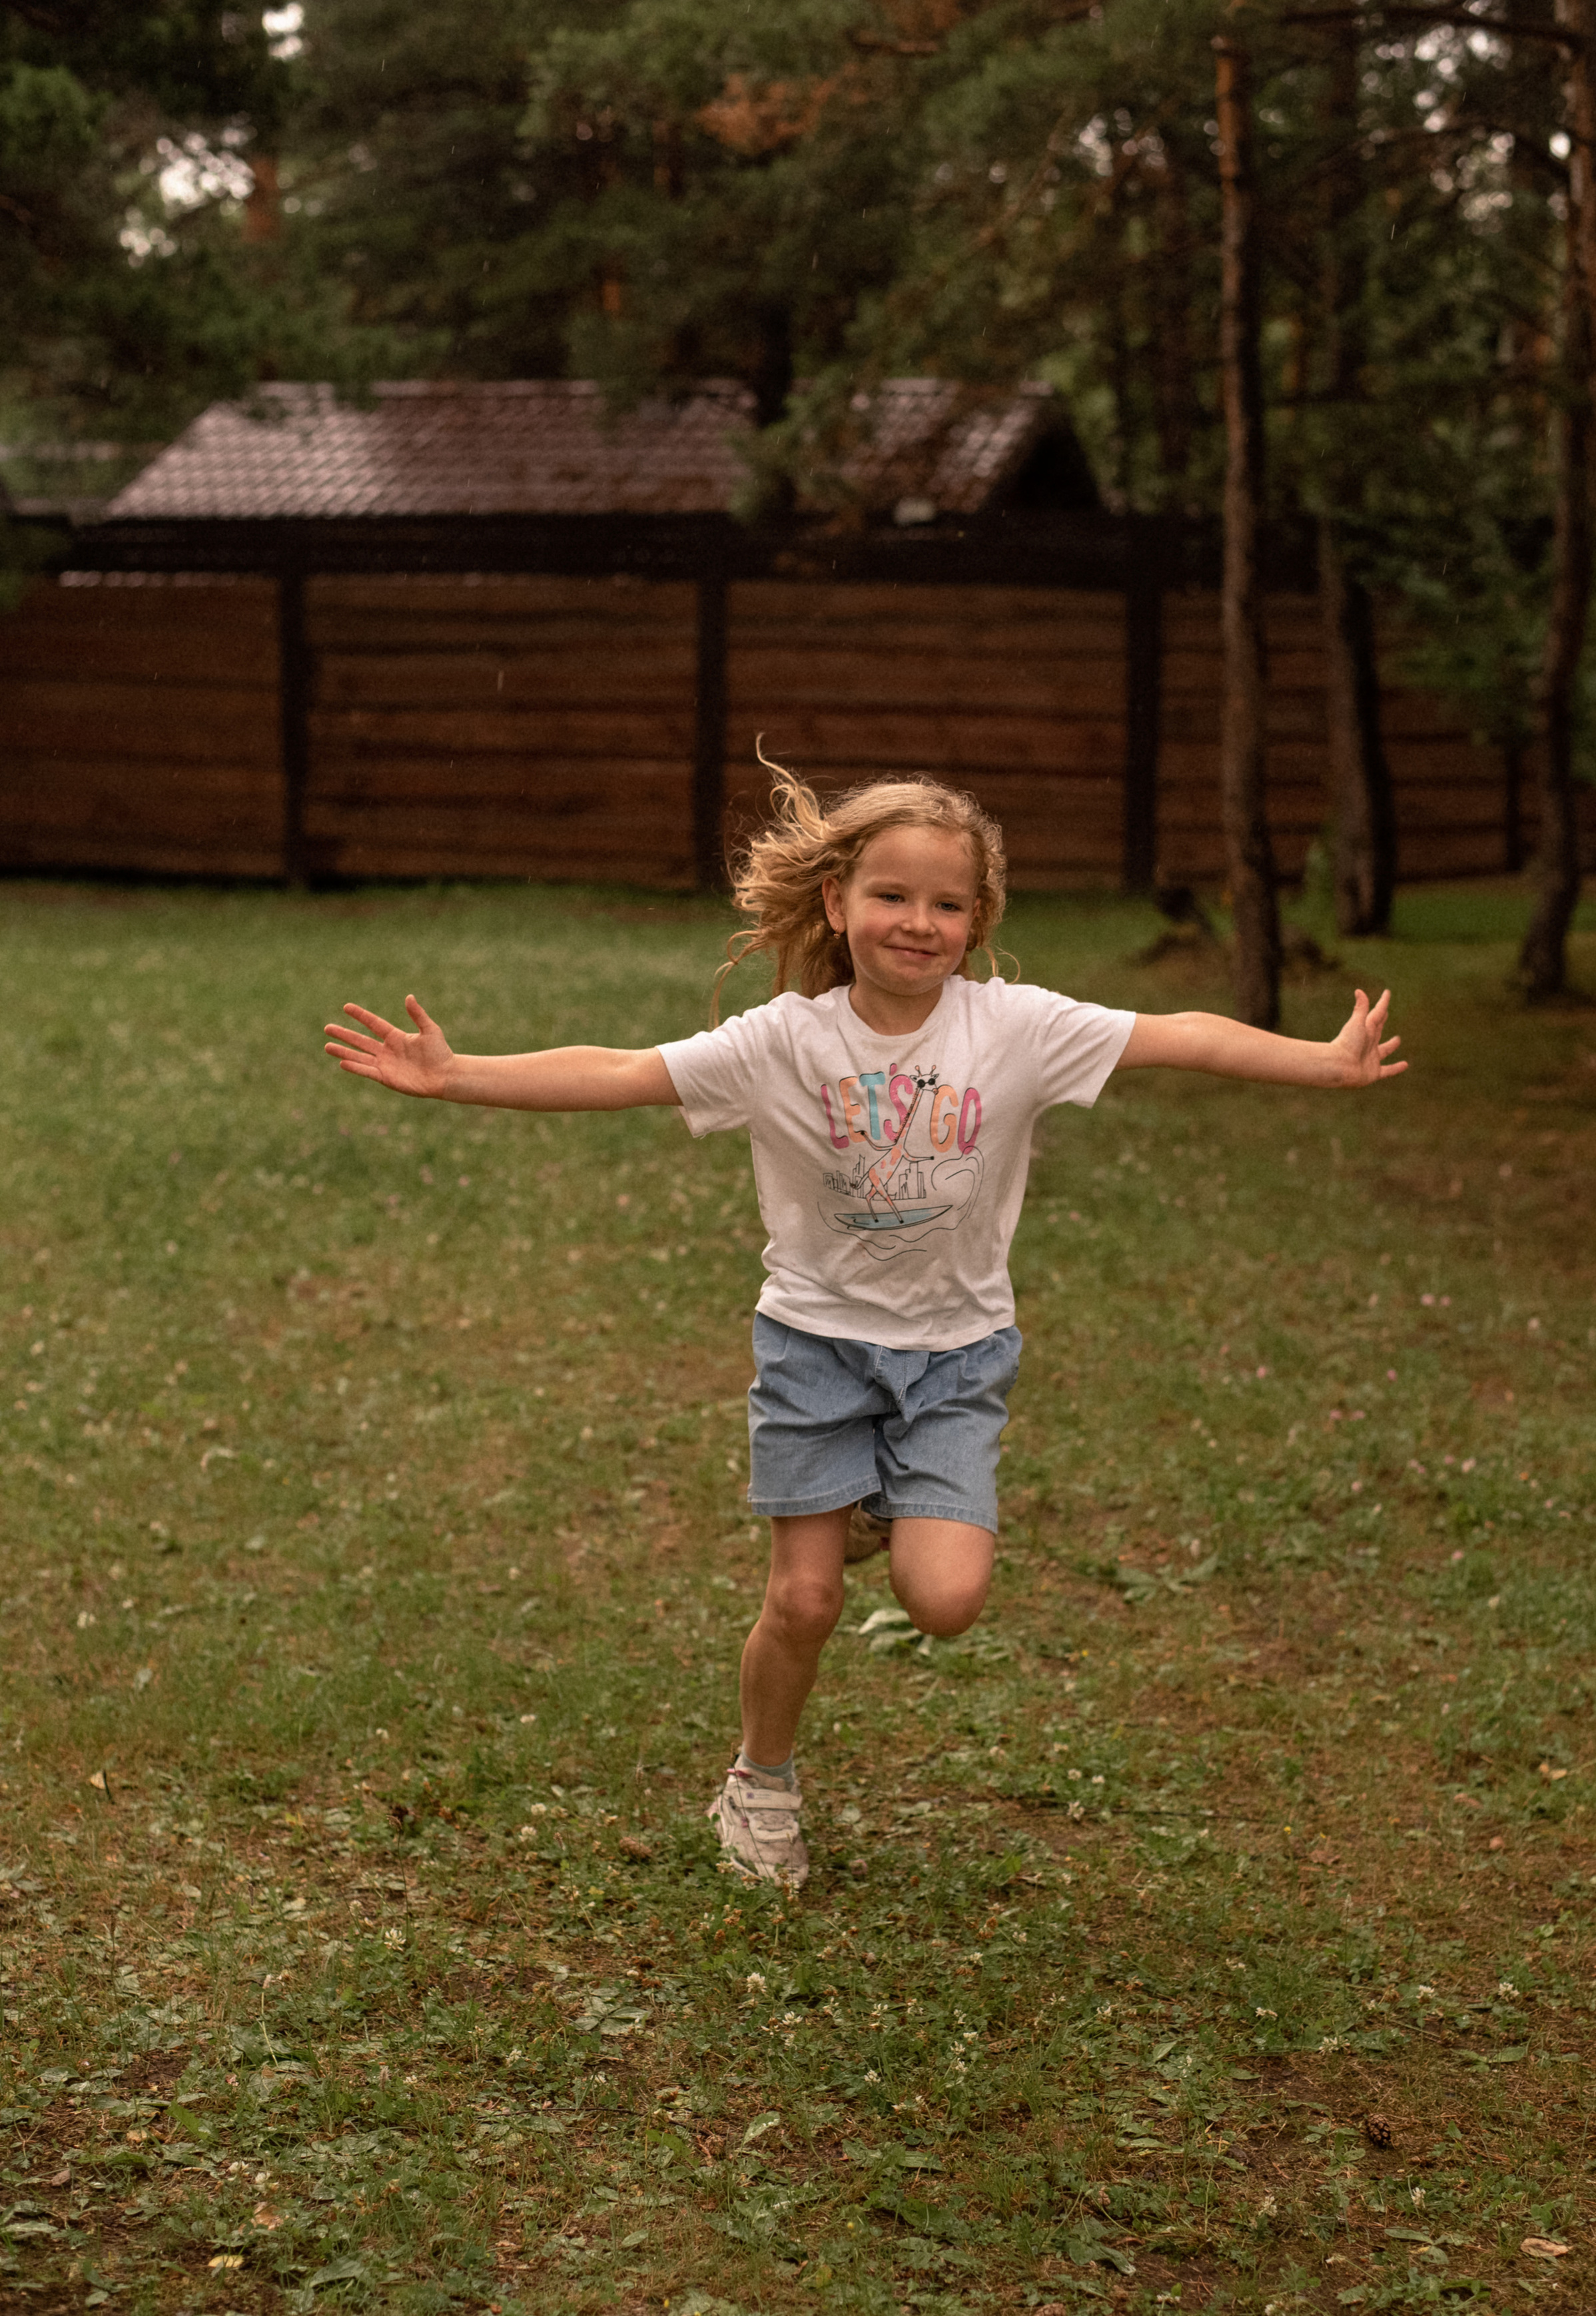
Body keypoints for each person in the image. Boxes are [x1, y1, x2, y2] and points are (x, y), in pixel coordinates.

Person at [324, 762, 1404, 1896]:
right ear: (837, 901)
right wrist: (457, 1076)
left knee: (945, 1601)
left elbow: (1179, 1034)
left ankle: (875, 1495)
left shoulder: (1020, 1029)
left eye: (948, 904)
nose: (920, 923)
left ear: (979, 920)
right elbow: (623, 1070)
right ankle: (761, 1783)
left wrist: (1321, 1061)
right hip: (817, 1350)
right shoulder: (782, 1041)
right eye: (893, 895)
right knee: (804, 1599)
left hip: (955, 1357)